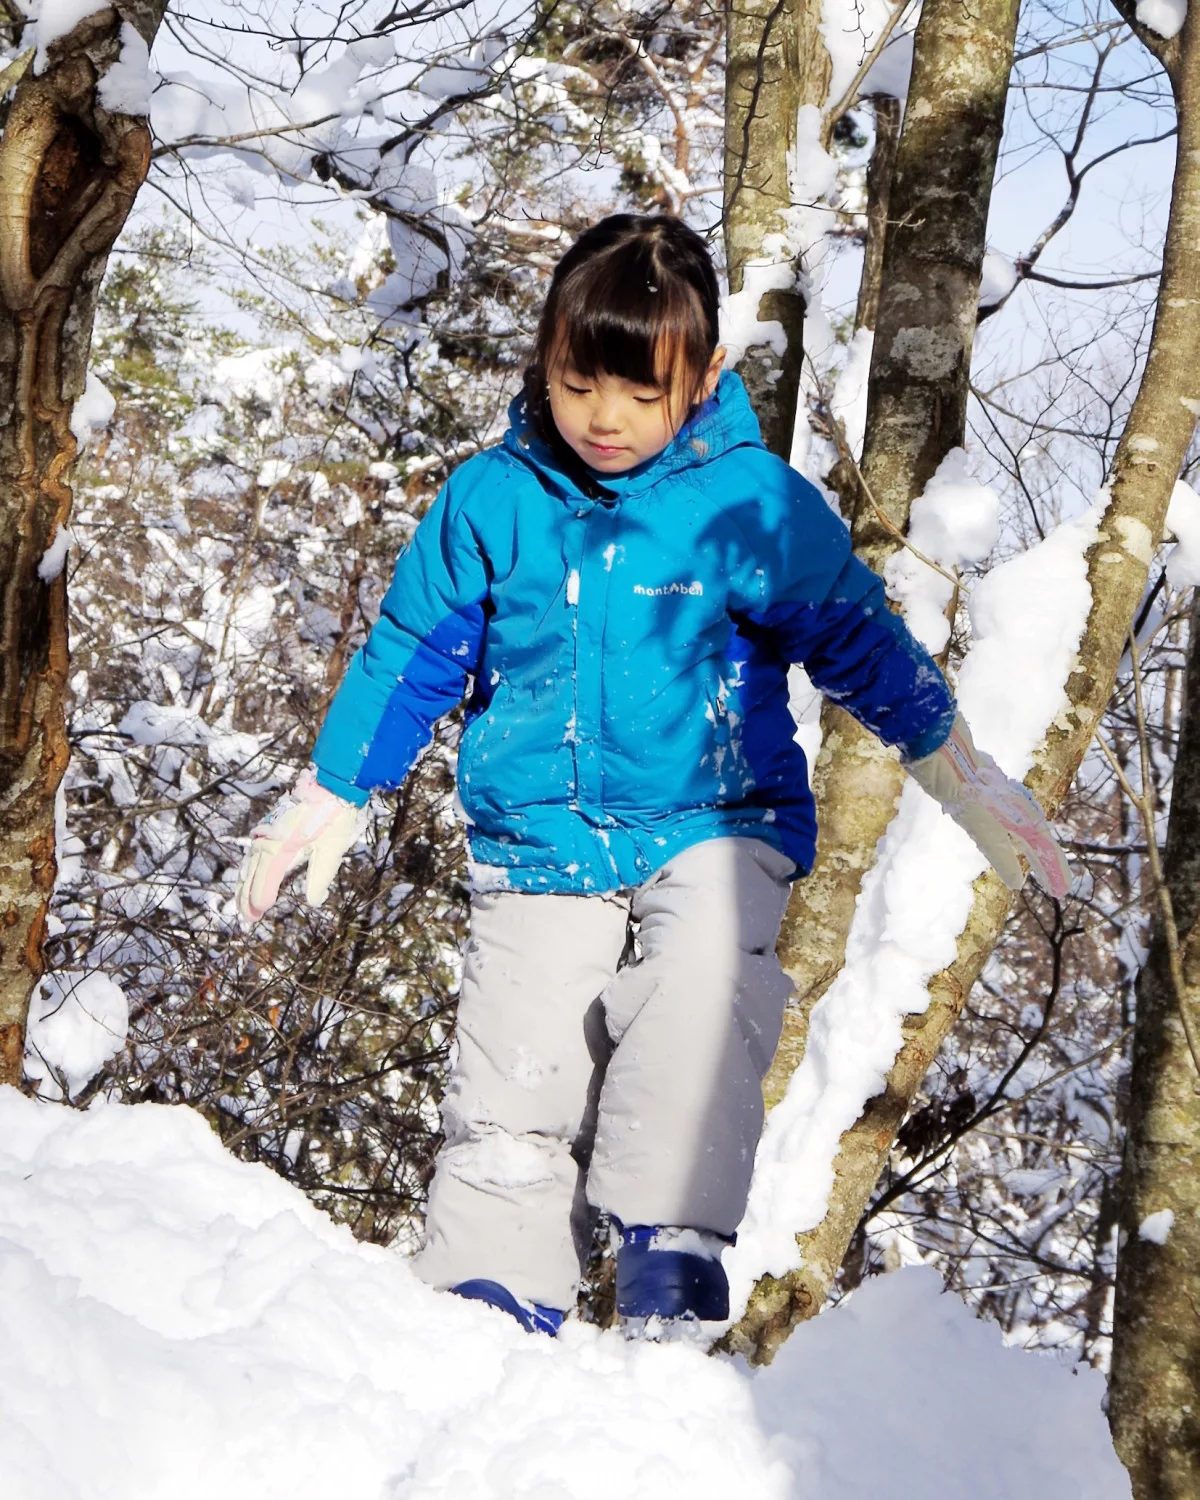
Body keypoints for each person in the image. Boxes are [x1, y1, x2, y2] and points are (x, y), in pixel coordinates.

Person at [235, 214, 1070, 1336]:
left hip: (716, 820)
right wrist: (333, 792)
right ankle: (488, 1298)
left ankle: (670, 1254)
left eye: (642, 393)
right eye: (582, 384)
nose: (607, 419)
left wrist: (956, 767)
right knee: (516, 1074)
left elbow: (861, 639)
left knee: (702, 981)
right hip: (542, 832)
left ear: (706, 373)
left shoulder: (751, 508)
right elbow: (412, 653)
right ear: (545, 361)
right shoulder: (492, 502)